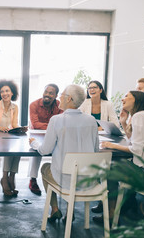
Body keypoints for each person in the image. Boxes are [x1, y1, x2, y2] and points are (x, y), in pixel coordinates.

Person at [29, 84, 99, 222]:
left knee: (45, 168)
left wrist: (34, 143)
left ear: (70, 99)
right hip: (88, 180)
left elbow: (45, 150)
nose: (59, 97)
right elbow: (96, 150)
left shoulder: (57, 120)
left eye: (62, 95)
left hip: (66, 180)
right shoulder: (91, 120)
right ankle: (69, 211)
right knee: (72, 168)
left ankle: (55, 209)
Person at [94, 91, 144, 224]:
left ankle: (111, 212)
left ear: (136, 100)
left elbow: (136, 149)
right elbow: (134, 142)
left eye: (127, 96)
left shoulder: (139, 116)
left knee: (108, 168)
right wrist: (123, 122)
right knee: (115, 163)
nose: (122, 99)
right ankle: (115, 206)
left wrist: (112, 145)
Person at [28, 83, 63, 195]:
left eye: (51, 93)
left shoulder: (59, 105)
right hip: (37, 134)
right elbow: (35, 124)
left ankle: (58, 178)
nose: (47, 95)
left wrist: (53, 126)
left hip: (56, 135)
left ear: (56, 95)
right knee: (36, 150)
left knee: (61, 149)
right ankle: (33, 179)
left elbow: (62, 122)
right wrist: (53, 125)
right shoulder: (34, 105)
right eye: (46, 92)